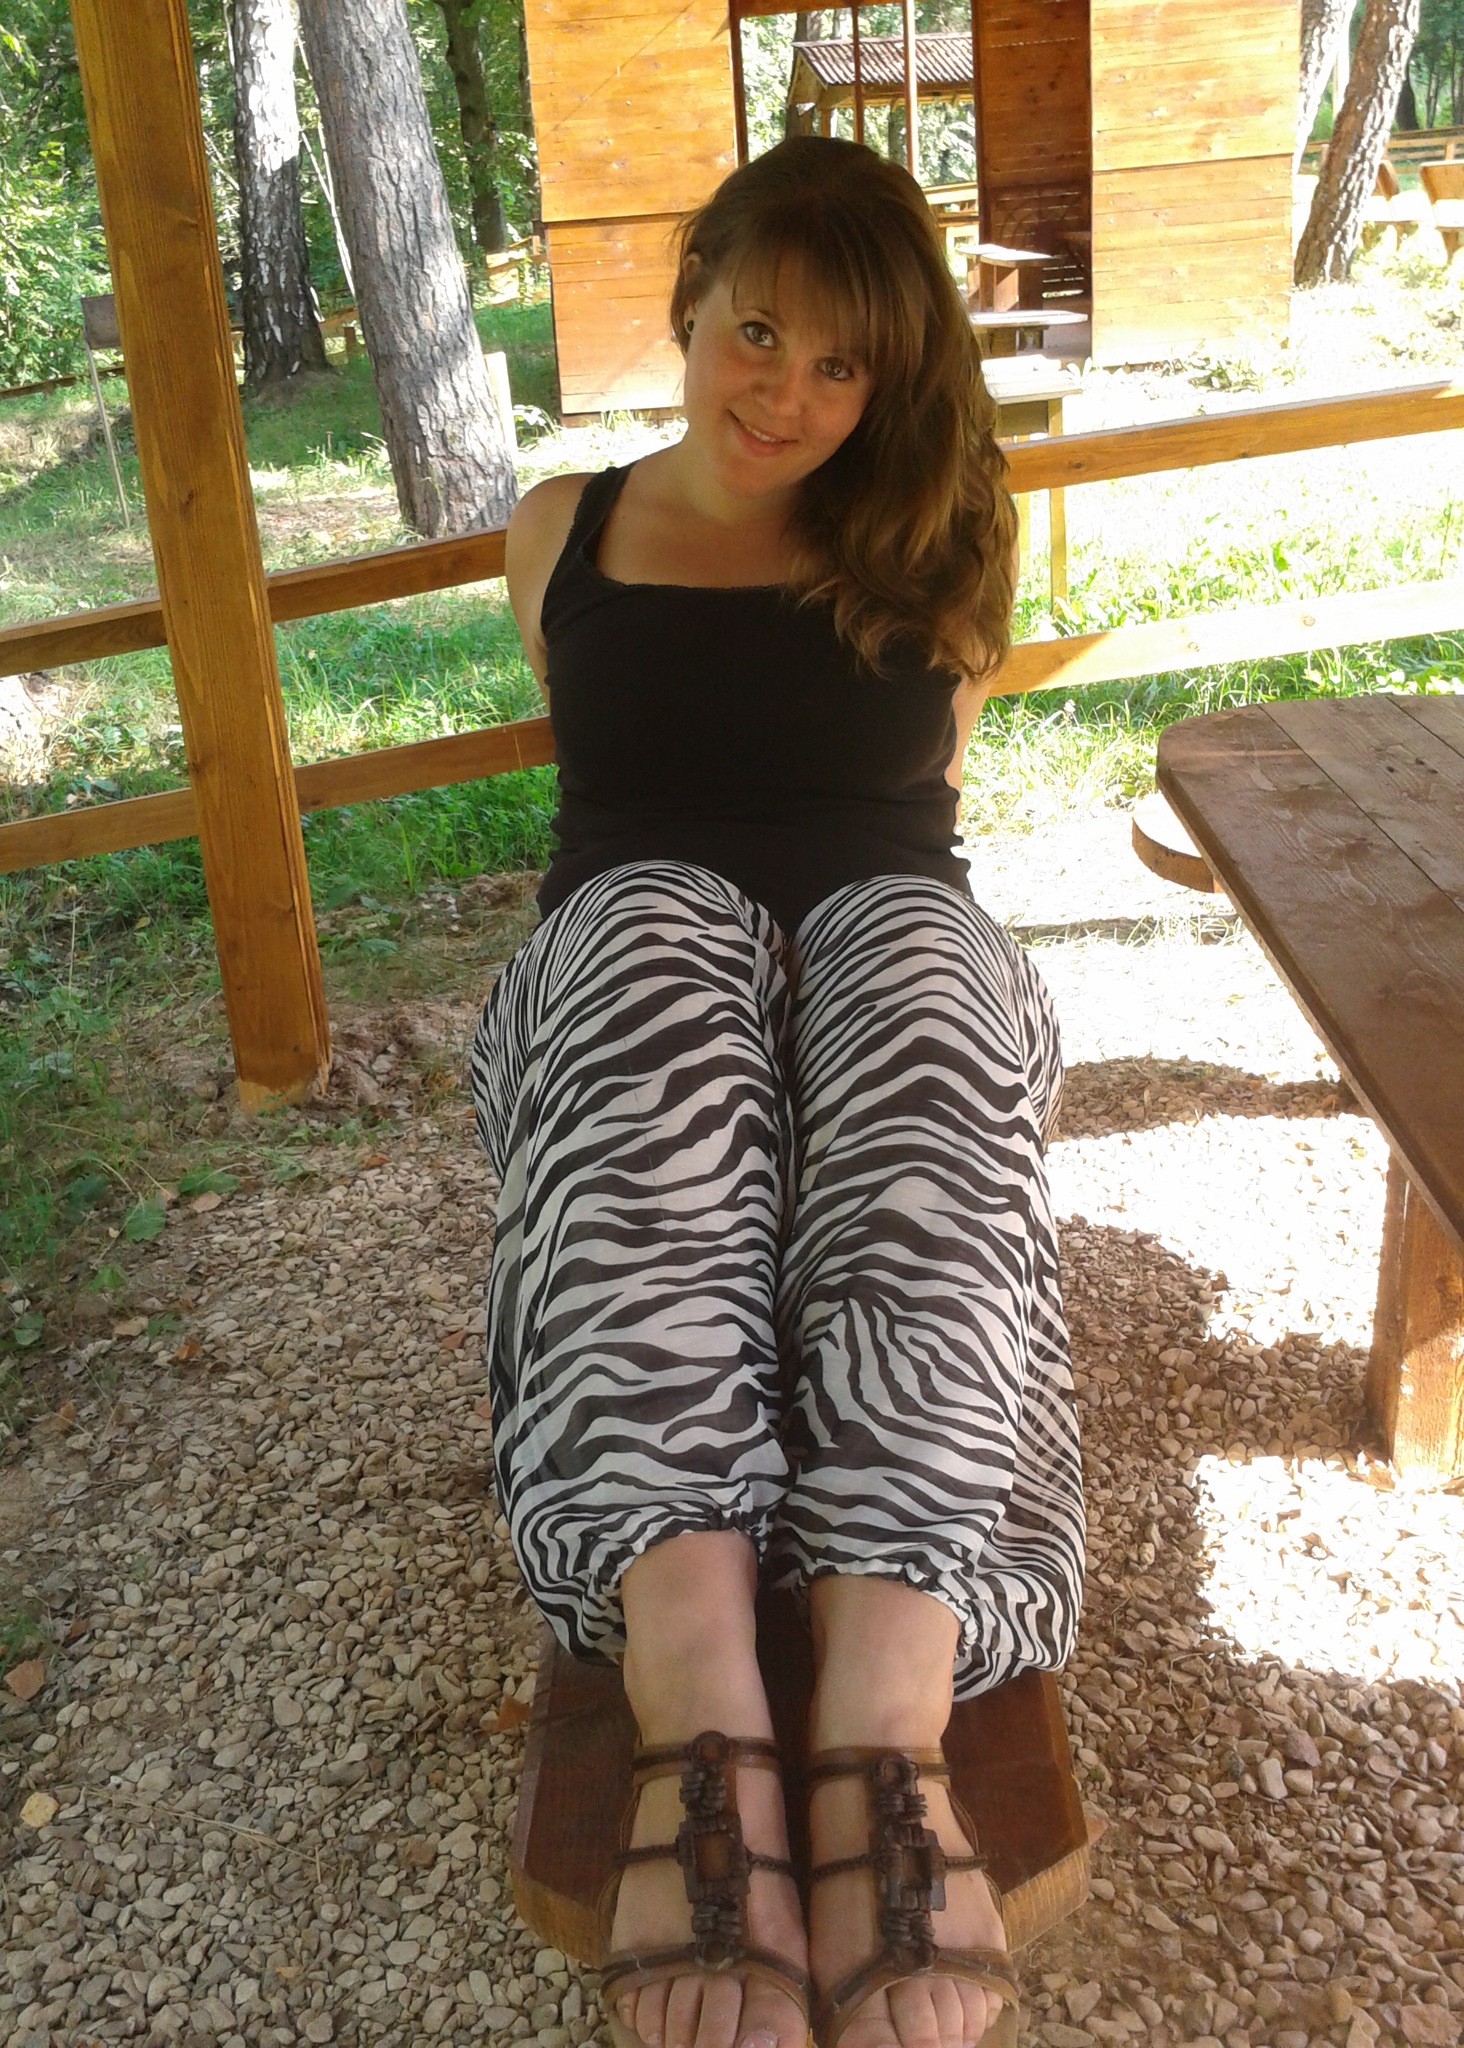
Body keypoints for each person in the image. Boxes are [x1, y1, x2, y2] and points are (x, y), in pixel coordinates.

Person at [468, 136, 1085, 2048]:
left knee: (913, 971)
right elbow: (604, 792)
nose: (787, 396)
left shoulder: (940, 538)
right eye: (758, 334)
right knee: (655, 928)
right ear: (692, 301)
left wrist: (819, 983)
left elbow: (930, 797)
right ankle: (700, 1687)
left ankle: (888, 1711)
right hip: (633, 973)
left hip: (886, 949)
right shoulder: (560, 528)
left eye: (841, 367)